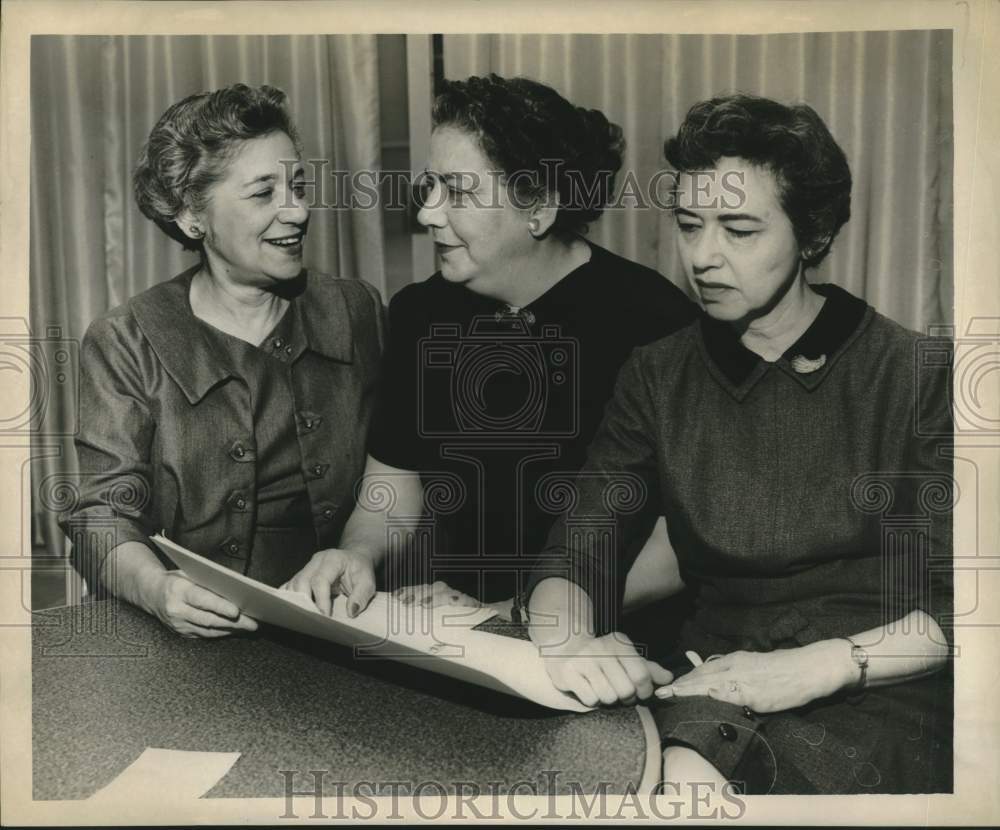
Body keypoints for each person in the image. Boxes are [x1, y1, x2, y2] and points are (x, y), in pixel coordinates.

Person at [527, 94, 953, 794]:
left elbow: (962, 604)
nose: (703, 256)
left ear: (810, 236)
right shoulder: (658, 375)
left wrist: (822, 663)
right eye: (690, 226)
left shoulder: (915, 375)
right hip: (714, 677)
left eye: (739, 230)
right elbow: (578, 547)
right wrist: (568, 635)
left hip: (880, 686)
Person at [283, 74, 696, 617]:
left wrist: (513, 613)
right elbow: (394, 487)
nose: (428, 213)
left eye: (457, 192)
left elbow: (679, 550)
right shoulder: (421, 312)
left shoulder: (658, 322)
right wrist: (357, 553)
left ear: (540, 209)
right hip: (468, 626)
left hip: (615, 634)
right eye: (430, 187)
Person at [61, 84, 384, 637]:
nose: (299, 210)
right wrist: (157, 590)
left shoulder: (356, 310)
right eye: (264, 193)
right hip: (188, 640)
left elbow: (400, 472)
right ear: (192, 216)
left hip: (346, 624)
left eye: (298, 186)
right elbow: (101, 516)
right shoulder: (124, 339)